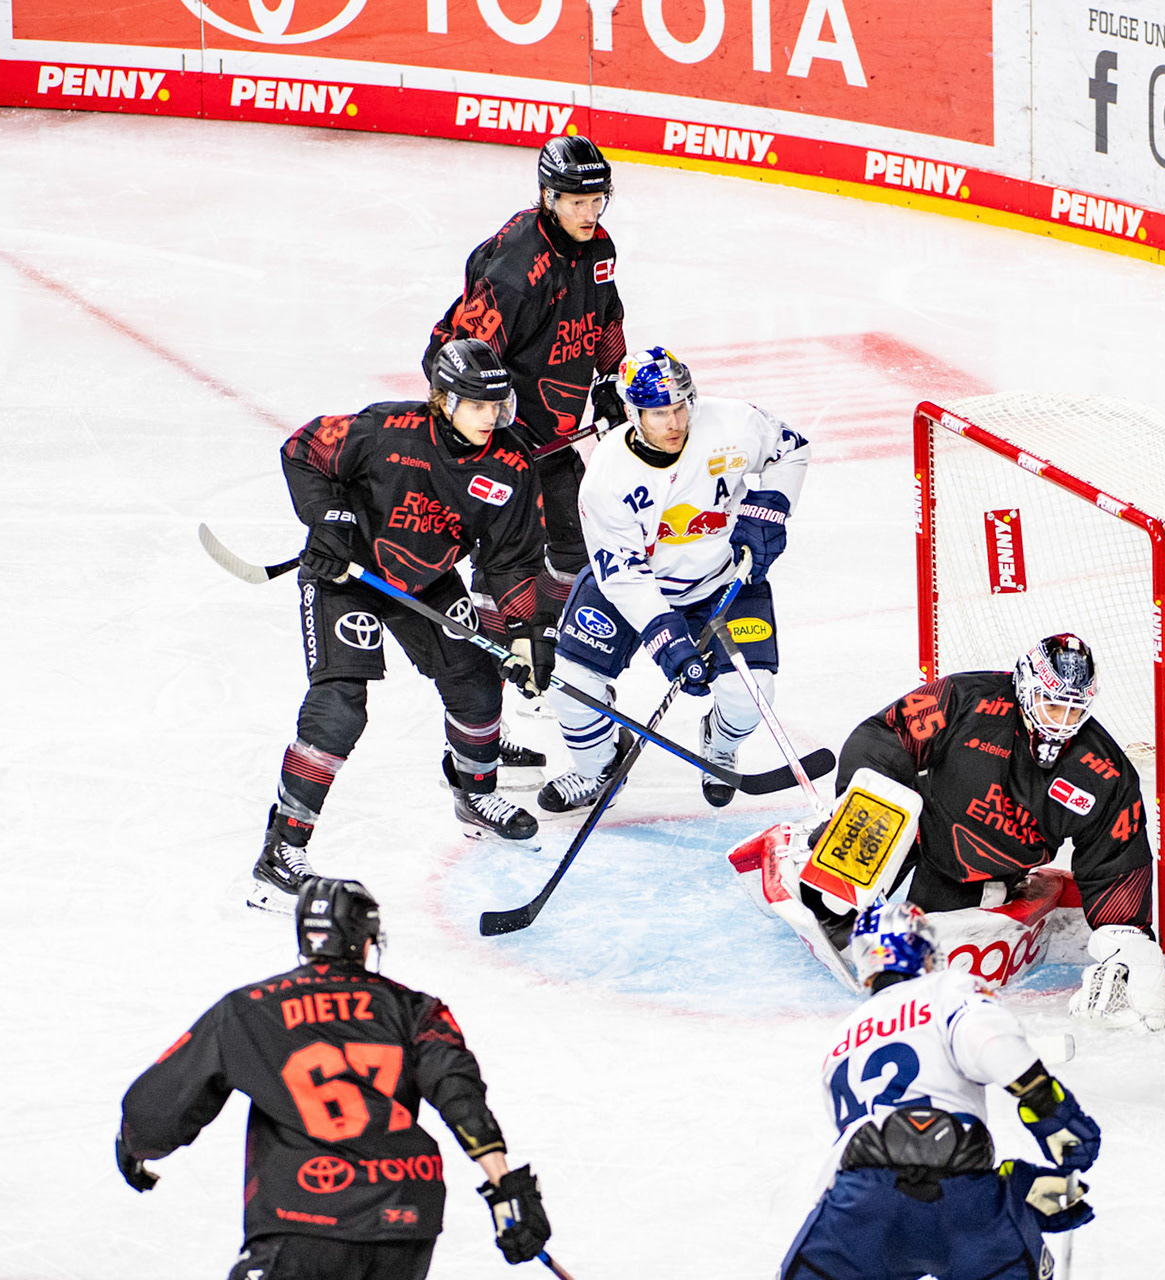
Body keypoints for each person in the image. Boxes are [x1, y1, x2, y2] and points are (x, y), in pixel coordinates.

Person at [250, 338, 555, 912]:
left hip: (426, 577)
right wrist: (331, 524)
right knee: (340, 706)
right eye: (479, 404)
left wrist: (524, 631)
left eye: (499, 403)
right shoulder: (385, 432)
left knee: (477, 681)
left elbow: (511, 558)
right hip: (347, 574)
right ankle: (282, 849)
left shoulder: (510, 463)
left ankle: (475, 794)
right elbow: (303, 448)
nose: (494, 416)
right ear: (443, 400)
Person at [116, 878, 553, 1279]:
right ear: (366, 940)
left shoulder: (249, 1010)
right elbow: (458, 1092)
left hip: (303, 1217)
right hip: (405, 1218)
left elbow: (157, 1108)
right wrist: (502, 1181)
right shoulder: (415, 1010)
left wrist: (136, 1144)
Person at [818, 633, 1165, 1030]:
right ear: (1026, 686)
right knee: (844, 869)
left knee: (932, 958)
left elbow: (1117, 858)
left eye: (1073, 712)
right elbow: (887, 737)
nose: (1060, 723)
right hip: (921, 821)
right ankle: (820, 867)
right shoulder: (966, 699)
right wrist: (858, 804)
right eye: (1052, 705)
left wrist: (1128, 944)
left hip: (977, 868)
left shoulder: (1102, 771)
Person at [535, 346, 810, 812]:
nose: (676, 422)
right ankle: (597, 768)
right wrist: (668, 639)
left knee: (750, 695)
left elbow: (792, 449)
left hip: (722, 579)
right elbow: (621, 574)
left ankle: (718, 745)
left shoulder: (734, 423)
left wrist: (769, 510)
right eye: (660, 412)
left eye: (682, 405)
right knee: (571, 685)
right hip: (630, 588)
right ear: (630, 410)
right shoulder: (606, 475)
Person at [780, 898, 1098, 1280]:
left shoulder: (842, 1037)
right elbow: (990, 1041)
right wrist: (1050, 1111)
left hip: (858, 1209)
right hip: (959, 1198)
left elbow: (849, 1151)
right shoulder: (946, 987)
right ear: (926, 951)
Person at [424, 134, 627, 642]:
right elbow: (464, 361)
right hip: (498, 424)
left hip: (550, 428)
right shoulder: (519, 268)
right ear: (548, 197)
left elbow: (608, 317)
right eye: (578, 202)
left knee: (574, 541)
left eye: (597, 199)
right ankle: (496, 660)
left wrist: (607, 381)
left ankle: (544, 640)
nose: (590, 212)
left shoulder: (599, 246)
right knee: (506, 548)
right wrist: (493, 424)